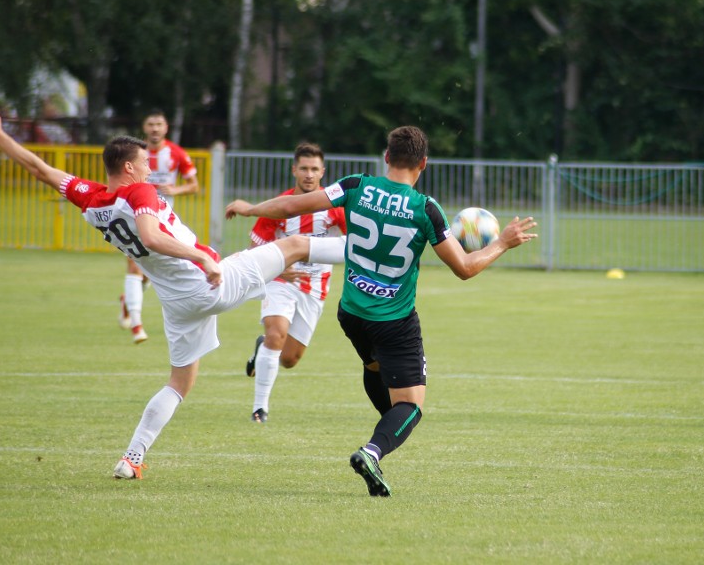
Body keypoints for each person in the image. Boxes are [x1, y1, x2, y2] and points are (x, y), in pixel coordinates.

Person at [0, 104, 346, 481]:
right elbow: (150, 235)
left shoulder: (93, 198)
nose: (150, 168)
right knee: (296, 244)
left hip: (177, 303)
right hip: (211, 281)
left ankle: (132, 458)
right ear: (129, 168)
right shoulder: (140, 192)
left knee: (179, 383)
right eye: (145, 163)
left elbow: (39, 169)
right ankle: (372, 254)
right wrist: (203, 256)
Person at [226, 125, 538, 497]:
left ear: (386, 157)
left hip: (351, 314)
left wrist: (250, 208)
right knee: (411, 406)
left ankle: (386, 428)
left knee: (374, 366)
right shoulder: (427, 209)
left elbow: (292, 205)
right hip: (394, 321)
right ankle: (373, 451)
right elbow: (465, 268)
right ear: (423, 163)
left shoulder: (356, 185)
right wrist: (502, 243)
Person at [243, 142, 347, 423]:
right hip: (281, 282)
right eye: (304, 168)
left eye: (314, 169)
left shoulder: (334, 208)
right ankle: (259, 408)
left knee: (289, 359)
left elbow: (354, 242)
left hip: (316, 287)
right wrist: (277, 271)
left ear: (323, 172)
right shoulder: (279, 207)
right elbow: (255, 249)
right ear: (294, 170)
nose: (309, 175)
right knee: (277, 333)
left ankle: (262, 347)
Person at [119, 109, 200, 344]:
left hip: (163, 222)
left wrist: (176, 190)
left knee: (149, 272)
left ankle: (127, 301)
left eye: (159, 124)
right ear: (145, 128)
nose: (155, 128)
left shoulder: (176, 153)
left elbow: (194, 185)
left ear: (166, 128)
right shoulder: (133, 154)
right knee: (134, 267)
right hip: (134, 216)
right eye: (151, 124)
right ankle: (137, 325)